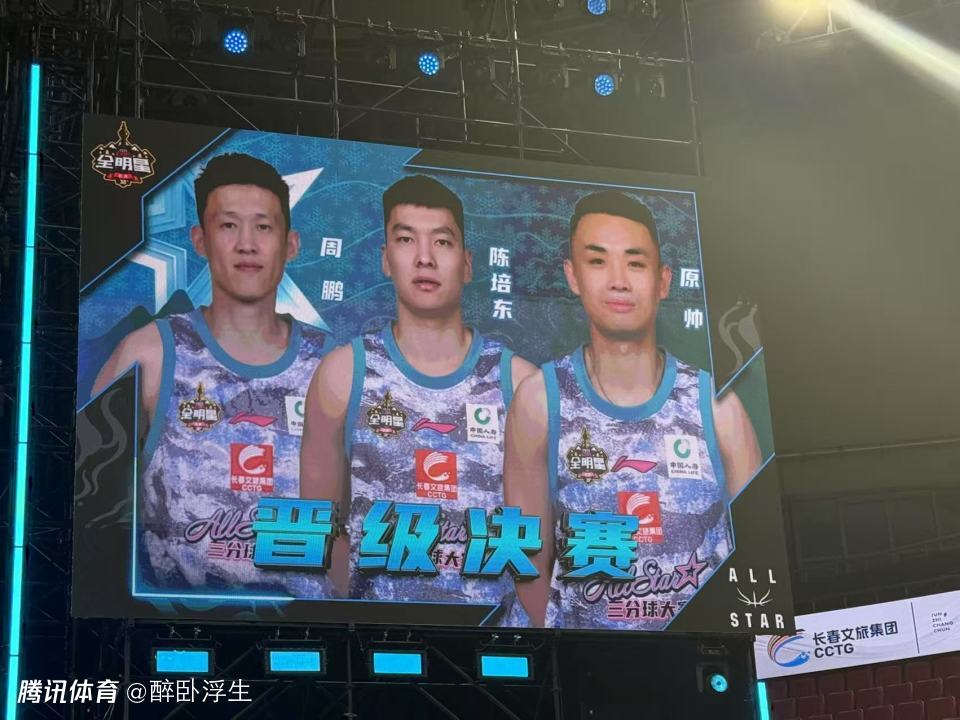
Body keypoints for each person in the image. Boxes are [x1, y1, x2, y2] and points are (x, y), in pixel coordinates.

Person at [503, 190, 762, 630]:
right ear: (572, 275)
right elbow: (527, 557)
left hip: (698, 655)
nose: (619, 281)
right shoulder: (539, 398)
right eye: (598, 261)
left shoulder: (719, 406)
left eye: (635, 263)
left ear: (663, 280)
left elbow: (756, 558)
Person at [92, 153, 329, 596]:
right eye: (228, 225)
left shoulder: (335, 364)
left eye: (263, 227)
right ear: (200, 240)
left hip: (317, 622)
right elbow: (91, 508)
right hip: (175, 622)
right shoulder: (149, 352)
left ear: (291, 244)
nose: (246, 244)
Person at [301, 175, 535, 616]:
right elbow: (318, 532)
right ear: (385, 259)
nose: (425, 258)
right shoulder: (343, 373)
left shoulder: (521, 383)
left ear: (467, 263)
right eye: (406, 239)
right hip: (372, 639)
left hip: (495, 641)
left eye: (442, 242)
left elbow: (541, 544)